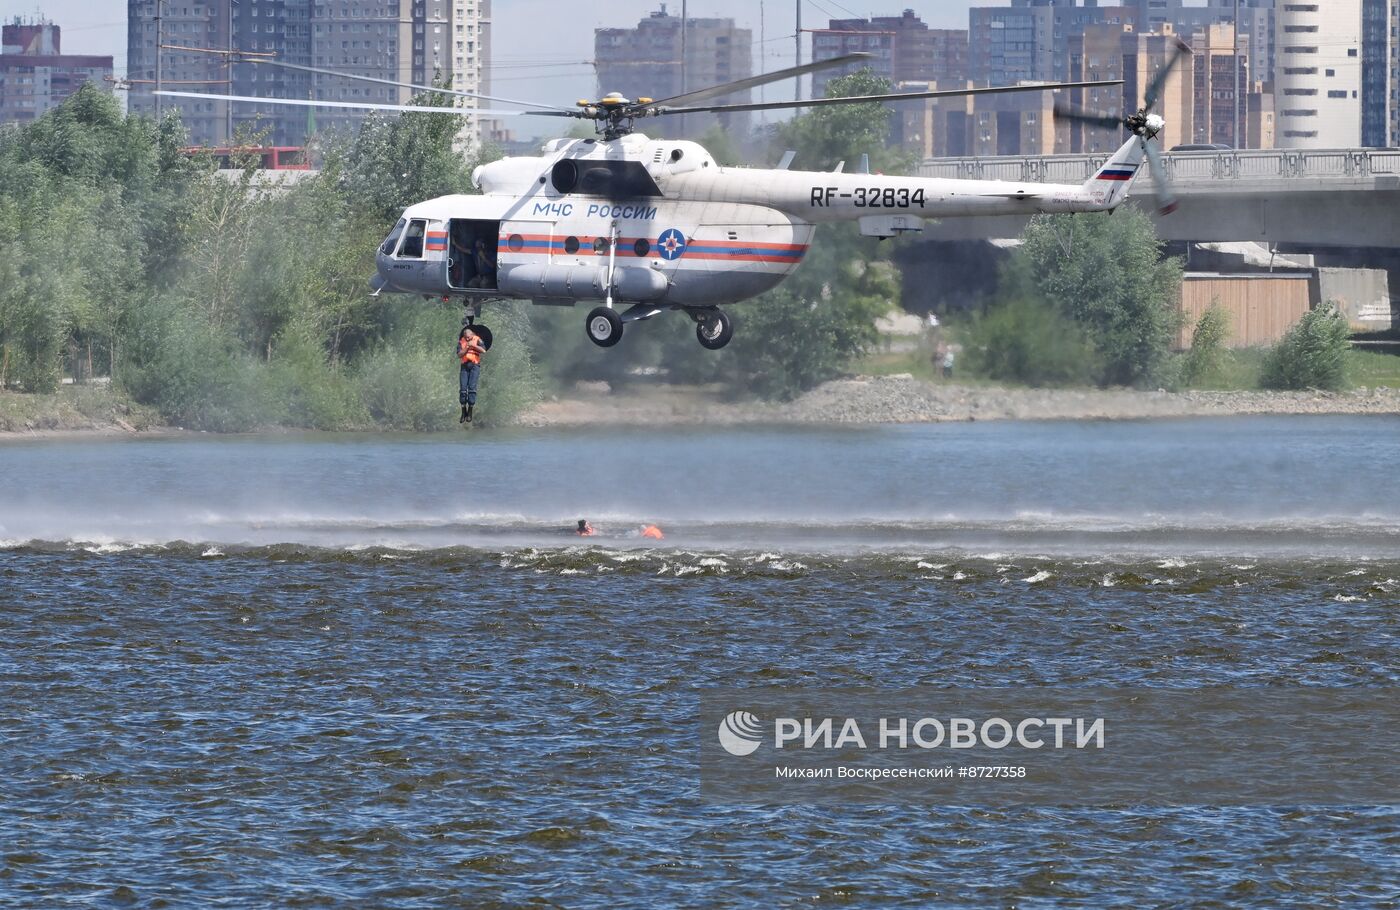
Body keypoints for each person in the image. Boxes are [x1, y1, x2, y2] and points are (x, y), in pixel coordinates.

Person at [458, 326, 486, 423]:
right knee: (462, 389)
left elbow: (483, 350)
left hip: (475, 366)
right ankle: (463, 411)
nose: (467, 338)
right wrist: (466, 347)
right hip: (464, 366)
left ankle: (470, 411)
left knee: (472, 388)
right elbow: (459, 355)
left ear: (472, 335)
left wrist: (473, 346)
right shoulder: (461, 341)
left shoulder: (478, 340)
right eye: (465, 337)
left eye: (468, 337)